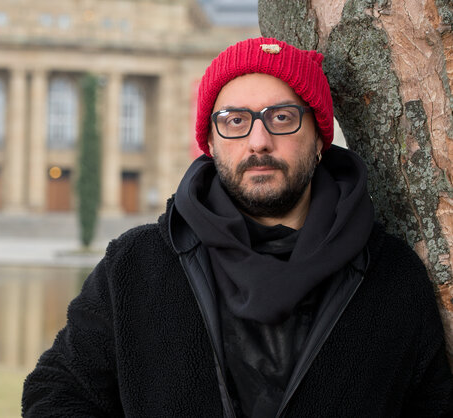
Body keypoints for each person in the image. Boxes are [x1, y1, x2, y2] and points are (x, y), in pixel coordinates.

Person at [22, 37, 453, 417]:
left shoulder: (392, 275)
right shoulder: (136, 264)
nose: (258, 140)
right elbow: (58, 393)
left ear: (321, 137)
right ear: (210, 142)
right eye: (235, 120)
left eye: (282, 118)